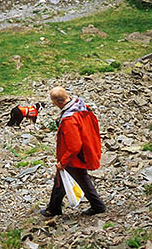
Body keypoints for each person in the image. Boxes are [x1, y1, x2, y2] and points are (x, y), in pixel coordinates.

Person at [41, 86, 106, 217]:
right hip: (83, 152)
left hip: (74, 157)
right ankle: (53, 208)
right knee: (62, 179)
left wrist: (63, 161)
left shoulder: (69, 120)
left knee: (78, 179)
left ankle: (98, 205)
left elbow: (74, 146)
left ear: (59, 102)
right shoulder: (80, 106)